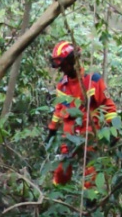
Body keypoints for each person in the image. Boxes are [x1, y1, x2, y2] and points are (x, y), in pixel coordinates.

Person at [47, 40, 118, 188]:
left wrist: (114, 130)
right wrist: (52, 129)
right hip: (69, 135)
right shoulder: (63, 85)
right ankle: (56, 199)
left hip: (89, 135)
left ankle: (90, 200)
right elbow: (59, 109)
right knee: (62, 169)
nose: (63, 70)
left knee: (91, 169)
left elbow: (108, 106)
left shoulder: (93, 81)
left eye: (64, 66)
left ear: (73, 61)